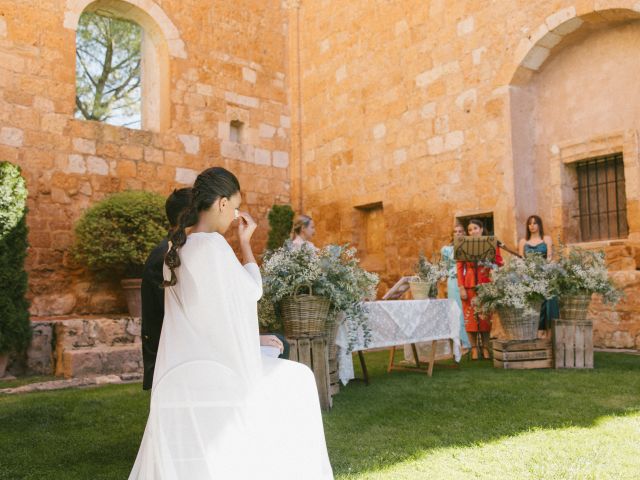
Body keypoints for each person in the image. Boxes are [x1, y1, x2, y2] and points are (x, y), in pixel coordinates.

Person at [129, 167, 333, 479]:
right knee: (302, 378)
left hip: (179, 373)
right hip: (217, 372)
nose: (235, 215)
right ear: (222, 204)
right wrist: (245, 242)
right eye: (235, 207)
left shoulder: (175, 249)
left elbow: (203, 319)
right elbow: (253, 292)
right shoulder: (213, 245)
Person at [141, 189, 289, 391]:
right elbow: (197, 322)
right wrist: (251, 340)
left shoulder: (179, 249)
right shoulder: (173, 255)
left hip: (194, 350)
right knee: (279, 347)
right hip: (183, 359)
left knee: (277, 344)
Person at [457, 219, 503, 360]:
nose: (473, 232)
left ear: (482, 229)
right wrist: (461, 287)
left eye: (475, 228)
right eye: (470, 230)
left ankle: (485, 347)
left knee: (485, 318)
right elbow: (459, 268)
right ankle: (475, 349)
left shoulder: (491, 243)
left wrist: (496, 263)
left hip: (486, 283)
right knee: (470, 318)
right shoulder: (463, 244)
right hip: (469, 283)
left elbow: (499, 261)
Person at [518, 215, 559, 336]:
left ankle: (549, 333)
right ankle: (535, 333)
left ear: (539, 225)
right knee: (534, 304)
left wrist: (547, 268)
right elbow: (521, 260)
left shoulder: (546, 239)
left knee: (548, 301)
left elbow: (550, 256)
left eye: (535, 223)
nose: (532, 226)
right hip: (529, 276)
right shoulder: (523, 242)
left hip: (544, 274)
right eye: (530, 223)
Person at [441, 223, 471, 350]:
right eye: (455, 231)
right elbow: (445, 267)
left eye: (461, 231)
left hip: (468, 280)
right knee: (456, 311)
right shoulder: (446, 250)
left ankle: (471, 341)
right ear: (452, 235)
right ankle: (461, 342)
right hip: (453, 281)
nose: (458, 233)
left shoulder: (470, 247)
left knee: (468, 310)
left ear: (464, 233)